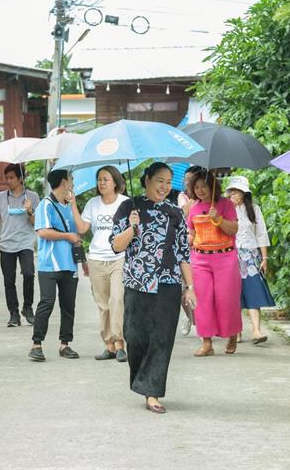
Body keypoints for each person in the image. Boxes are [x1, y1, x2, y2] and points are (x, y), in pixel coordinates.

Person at [110, 162, 196, 414]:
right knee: (135, 337)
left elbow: (182, 252)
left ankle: (152, 391)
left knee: (161, 338)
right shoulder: (128, 207)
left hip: (167, 283)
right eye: (160, 180)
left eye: (169, 182)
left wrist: (189, 286)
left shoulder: (174, 212)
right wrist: (132, 228)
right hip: (137, 282)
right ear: (146, 179)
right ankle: (143, 381)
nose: (165, 186)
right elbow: (116, 245)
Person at [71, 166, 129, 362]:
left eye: (105, 179)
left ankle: (120, 343)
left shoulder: (126, 203)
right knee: (103, 305)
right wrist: (72, 204)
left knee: (117, 299)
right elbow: (82, 228)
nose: (102, 183)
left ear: (115, 182)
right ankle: (109, 346)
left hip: (119, 258)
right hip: (96, 258)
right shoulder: (92, 204)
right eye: (99, 179)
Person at [187, 170, 241, 356]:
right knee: (203, 300)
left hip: (225, 257)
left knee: (226, 299)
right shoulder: (193, 208)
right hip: (200, 259)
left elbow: (233, 229)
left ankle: (232, 334)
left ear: (212, 186)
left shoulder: (226, 204)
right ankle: (207, 341)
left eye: (204, 186)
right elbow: (192, 233)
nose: (200, 190)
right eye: (196, 187)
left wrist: (218, 219)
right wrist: (185, 239)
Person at [28, 169, 81, 362]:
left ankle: (65, 344)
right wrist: (67, 236)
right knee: (46, 303)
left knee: (68, 306)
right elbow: (42, 232)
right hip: (49, 265)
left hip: (70, 264)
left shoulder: (70, 205)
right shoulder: (45, 205)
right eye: (71, 179)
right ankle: (36, 344)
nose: (73, 182)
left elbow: (80, 230)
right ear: (64, 182)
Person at [0, 163, 40, 327]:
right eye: (6, 178)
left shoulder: (33, 197)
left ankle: (27, 308)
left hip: (25, 243)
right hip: (6, 244)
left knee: (29, 273)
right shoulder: (0, 197)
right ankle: (13, 313)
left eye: (12, 178)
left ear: (20, 178)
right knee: (9, 280)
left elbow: (36, 223)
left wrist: (30, 210)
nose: (8, 181)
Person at [226, 176, 275, 344]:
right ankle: (236, 331)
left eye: (236, 191)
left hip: (251, 255)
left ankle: (256, 330)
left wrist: (264, 257)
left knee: (253, 290)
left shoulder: (254, 209)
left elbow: (261, 233)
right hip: (230, 254)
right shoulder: (225, 210)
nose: (233, 194)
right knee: (234, 294)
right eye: (231, 191)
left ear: (243, 193)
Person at [178, 165, 201, 336]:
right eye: (185, 179)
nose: (187, 182)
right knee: (183, 287)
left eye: (190, 179)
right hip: (184, 246)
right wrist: (193, 201)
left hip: (201, 246)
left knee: (200, 288)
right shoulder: (182, 197)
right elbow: (181, 214)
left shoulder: (207, 197)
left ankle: (201, 323)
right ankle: (189, 317)